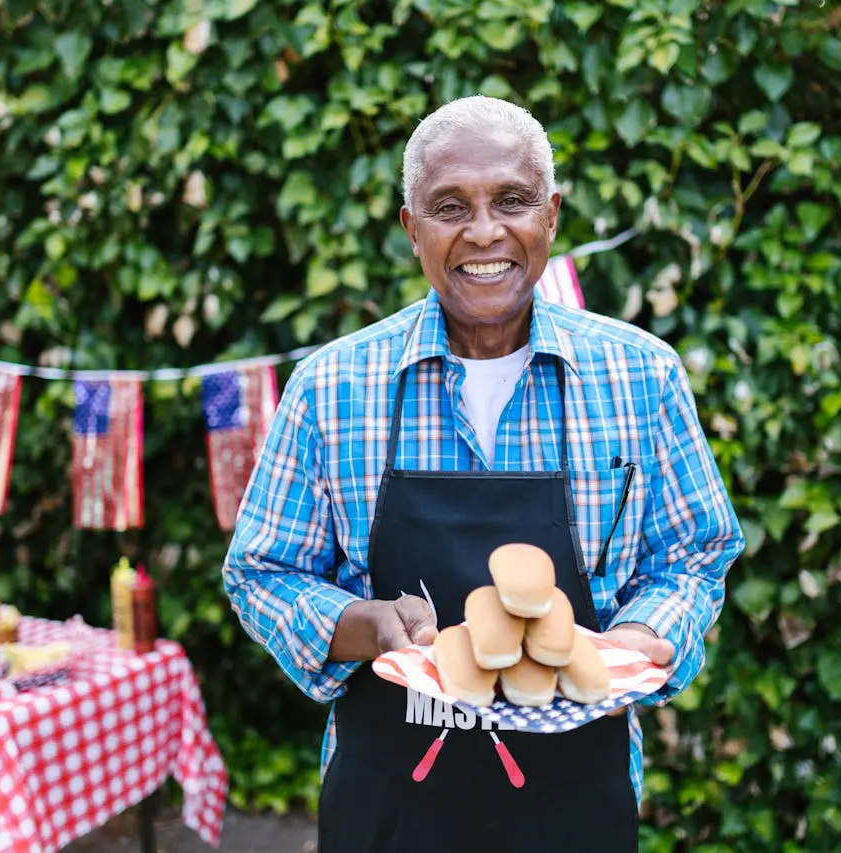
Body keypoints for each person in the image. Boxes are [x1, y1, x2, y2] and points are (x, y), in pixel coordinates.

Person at [223, 95, 744, 853]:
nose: (484, 231)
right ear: (411, 229)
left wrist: (631, 640)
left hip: (577, 798)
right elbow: (262, 571)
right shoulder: (333, 386)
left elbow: (694, 555)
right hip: (387, 805)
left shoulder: (640, 375)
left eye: (512, 199)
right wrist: (362, 626)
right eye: (448, 206)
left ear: (553, 214)